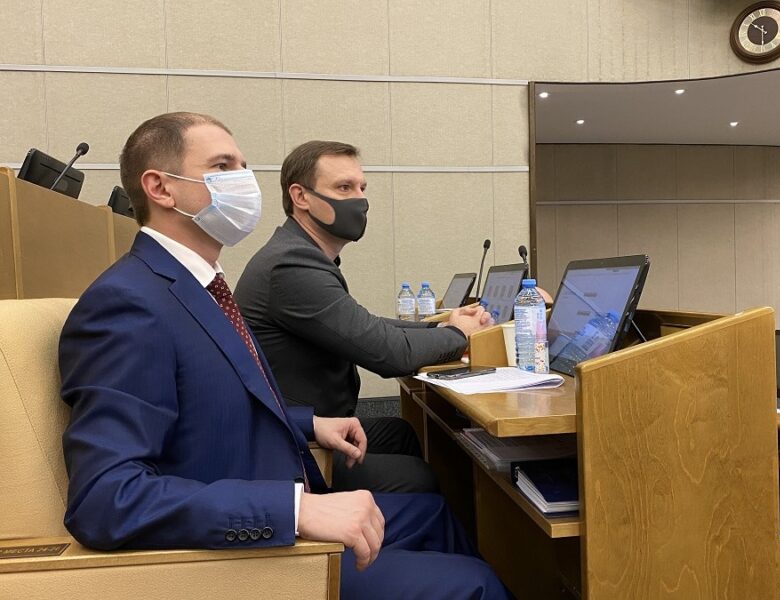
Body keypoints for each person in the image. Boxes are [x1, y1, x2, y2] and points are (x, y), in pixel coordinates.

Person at [58, 112, 509, 599]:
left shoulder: (198, 285)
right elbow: (105, 498)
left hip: (273, 485)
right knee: (477, 585)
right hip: (243, 553)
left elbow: (211, 402)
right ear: (161, 188)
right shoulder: (127, 303)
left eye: (243, 165)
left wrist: (307, 423)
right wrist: (295, 509)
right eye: (222, 166)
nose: (244, 180)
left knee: (434, 514)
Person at [235, 140, 493, 493]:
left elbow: (364, 323)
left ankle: (423, 522)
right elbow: (389, 354)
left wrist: (440, 325)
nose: (360, 200)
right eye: (344, 187)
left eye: (362, 188)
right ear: (301, 196)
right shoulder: (291, 265)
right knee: (419, 477)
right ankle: (427, 518)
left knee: (399, 434)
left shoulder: (299, 253)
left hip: (307, 423)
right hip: (292, 444)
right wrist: (460, 335)